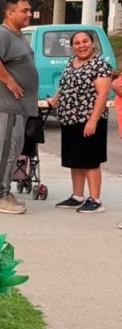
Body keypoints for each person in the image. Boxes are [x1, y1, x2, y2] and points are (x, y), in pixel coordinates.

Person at [0, 0, 39, 214]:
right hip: (5, 105)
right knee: (4, 151)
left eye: (29, 10)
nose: (29, 14)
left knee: (13, 150)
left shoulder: (19, 36)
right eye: (24, 10)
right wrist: (10, 82)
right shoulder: (1, 35)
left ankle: (4, 191)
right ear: (10, 13)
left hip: (17, 107)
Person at [46, 30, 112, 213]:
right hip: (70, 119)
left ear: (92, 43)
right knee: (75, 160)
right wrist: (54, 100)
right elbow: (65, 86)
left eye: (85, 42)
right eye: (77, 43)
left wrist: (93, 120)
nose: (81, 46)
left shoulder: (99, 65)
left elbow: (103, 94)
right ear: (72, 46)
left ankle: (96, 200)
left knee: (90, 160)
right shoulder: (71, 62)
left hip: (89, 120)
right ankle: (77, 196)